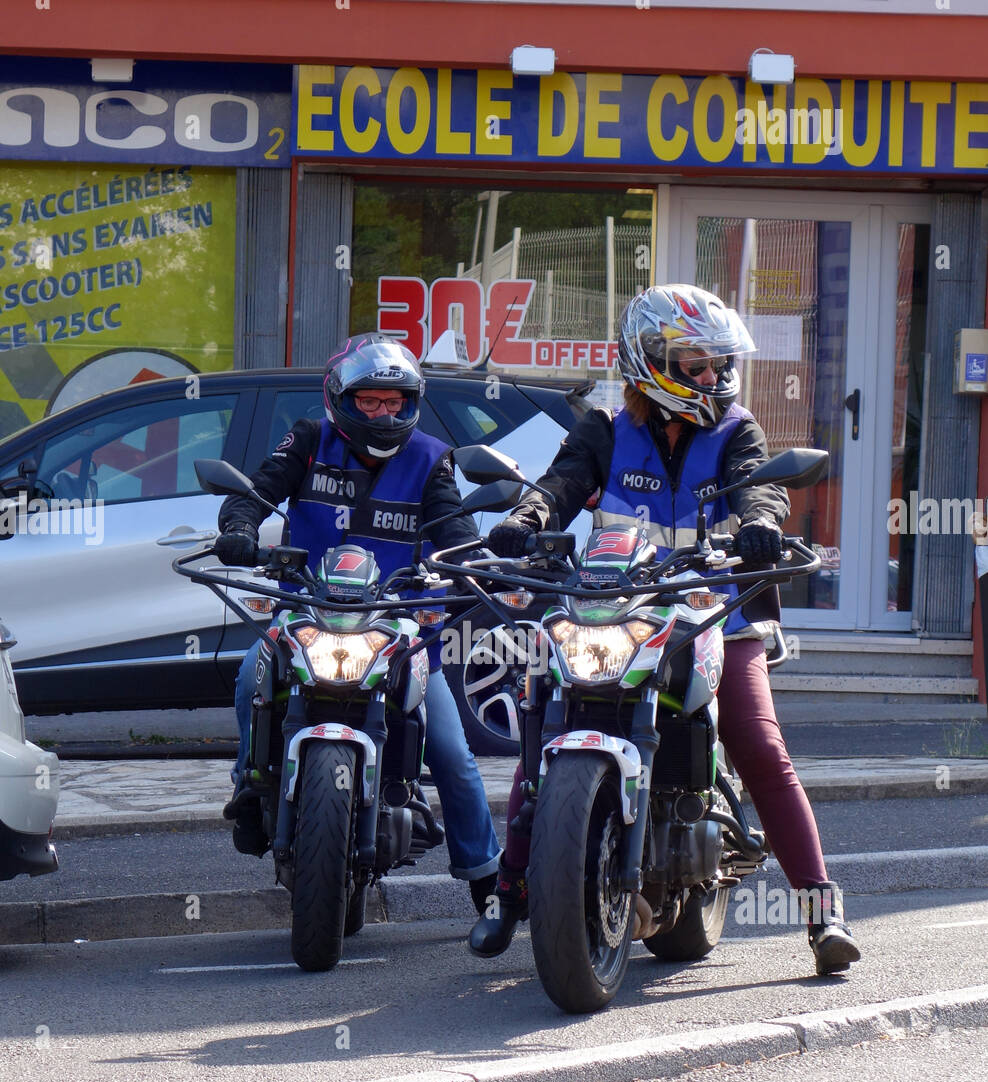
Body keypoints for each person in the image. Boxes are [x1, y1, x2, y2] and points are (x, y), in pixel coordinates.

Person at [469, 284, 860, 977]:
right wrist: (526, 522)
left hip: (712, 613)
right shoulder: (603, 430)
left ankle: (821, 911)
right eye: (697, 364)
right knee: (543, 741)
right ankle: (509, 892)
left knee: (763, 748)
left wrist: (760, 524)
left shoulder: (737, 430)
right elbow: (560, 485)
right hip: (612, 611)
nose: (714, 377)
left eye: (718, 364)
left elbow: (757, 486)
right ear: (649, 361)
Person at [214, 332, 501, 917]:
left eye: (395, 401)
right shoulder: (309, 440)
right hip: (306, 616)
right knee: (250, 681)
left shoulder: (431, 457)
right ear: (341, 400)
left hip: (399, 628)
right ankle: (252, 785)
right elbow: (256, 493)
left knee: (451, 752)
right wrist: (240, 530)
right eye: (371, 401)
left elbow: (454, 530)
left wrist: (470, 564)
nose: (385, 412)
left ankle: (487, 881)